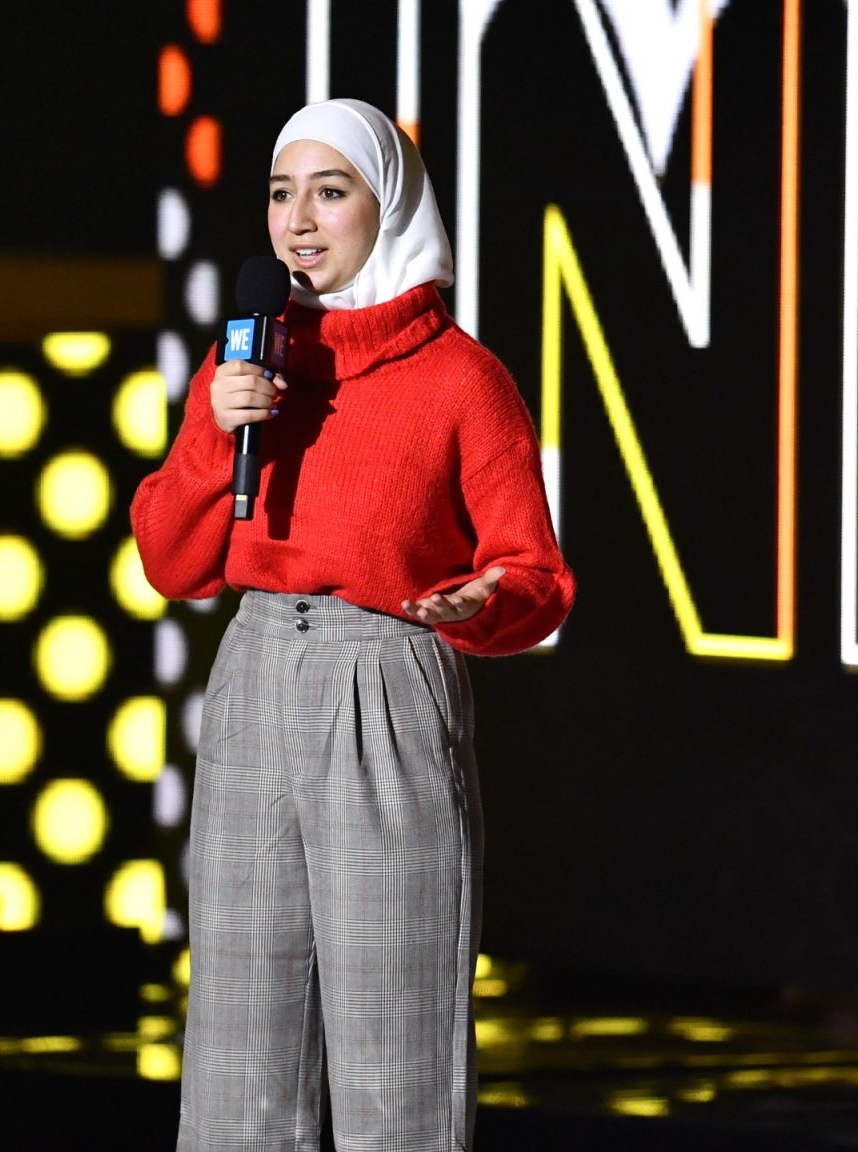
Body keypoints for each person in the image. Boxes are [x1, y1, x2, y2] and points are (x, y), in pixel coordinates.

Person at [131, 97, 576, 1152]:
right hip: (253, 676)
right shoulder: (247, 362)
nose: (298, 220)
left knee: (395, 1042)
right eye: (281, 193)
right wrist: (215, 435)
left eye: (330, 193)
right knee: (238, 1046)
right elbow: (172, 562)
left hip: (384, 679)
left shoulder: (462, 379)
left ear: (391, 206)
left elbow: (537, 575)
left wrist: (482, 601)